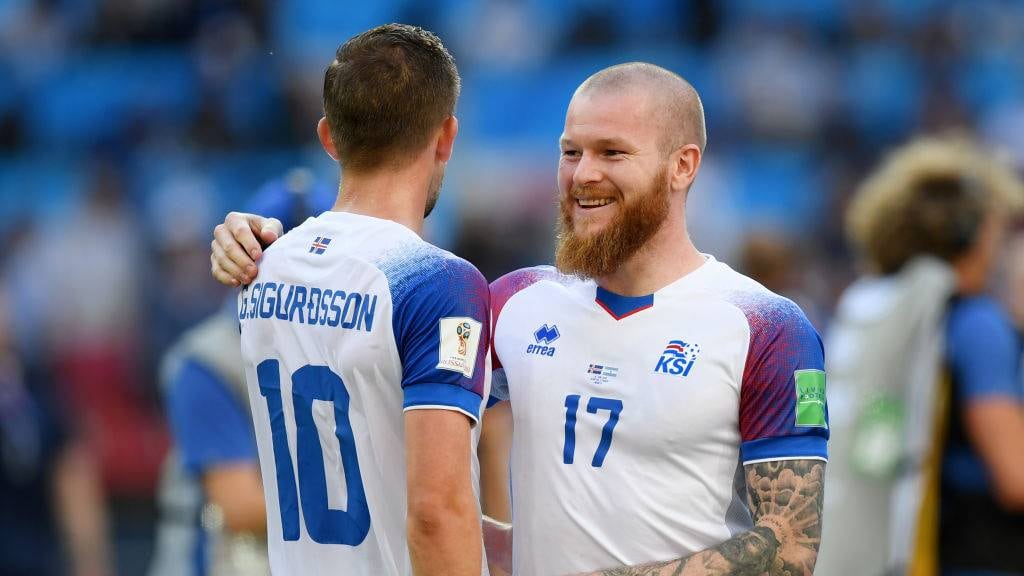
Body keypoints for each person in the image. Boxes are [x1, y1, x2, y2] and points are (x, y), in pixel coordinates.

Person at [212, 62, 828, 576]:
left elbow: (793, 549)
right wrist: (266, 246)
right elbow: (363, 355)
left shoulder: (767, 327)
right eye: (571, 152)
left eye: (612, 152)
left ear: (683, 166)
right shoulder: (514, 301)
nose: (584, 174)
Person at [218, 24, 489, 575]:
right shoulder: (439, 283)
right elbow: (436, 514)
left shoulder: (261, 264)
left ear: (328, 137)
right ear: (446, 136)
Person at [818, 136, 1024, 575]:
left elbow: (877, 451)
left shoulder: (875, 307)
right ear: (970, 232)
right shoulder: (979, 324)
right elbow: (1015, 477)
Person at [149, 170, 333, 576]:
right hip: (211, 561)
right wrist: (373, 489)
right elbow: (240, 508)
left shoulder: (348, 341)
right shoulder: (204, 360)